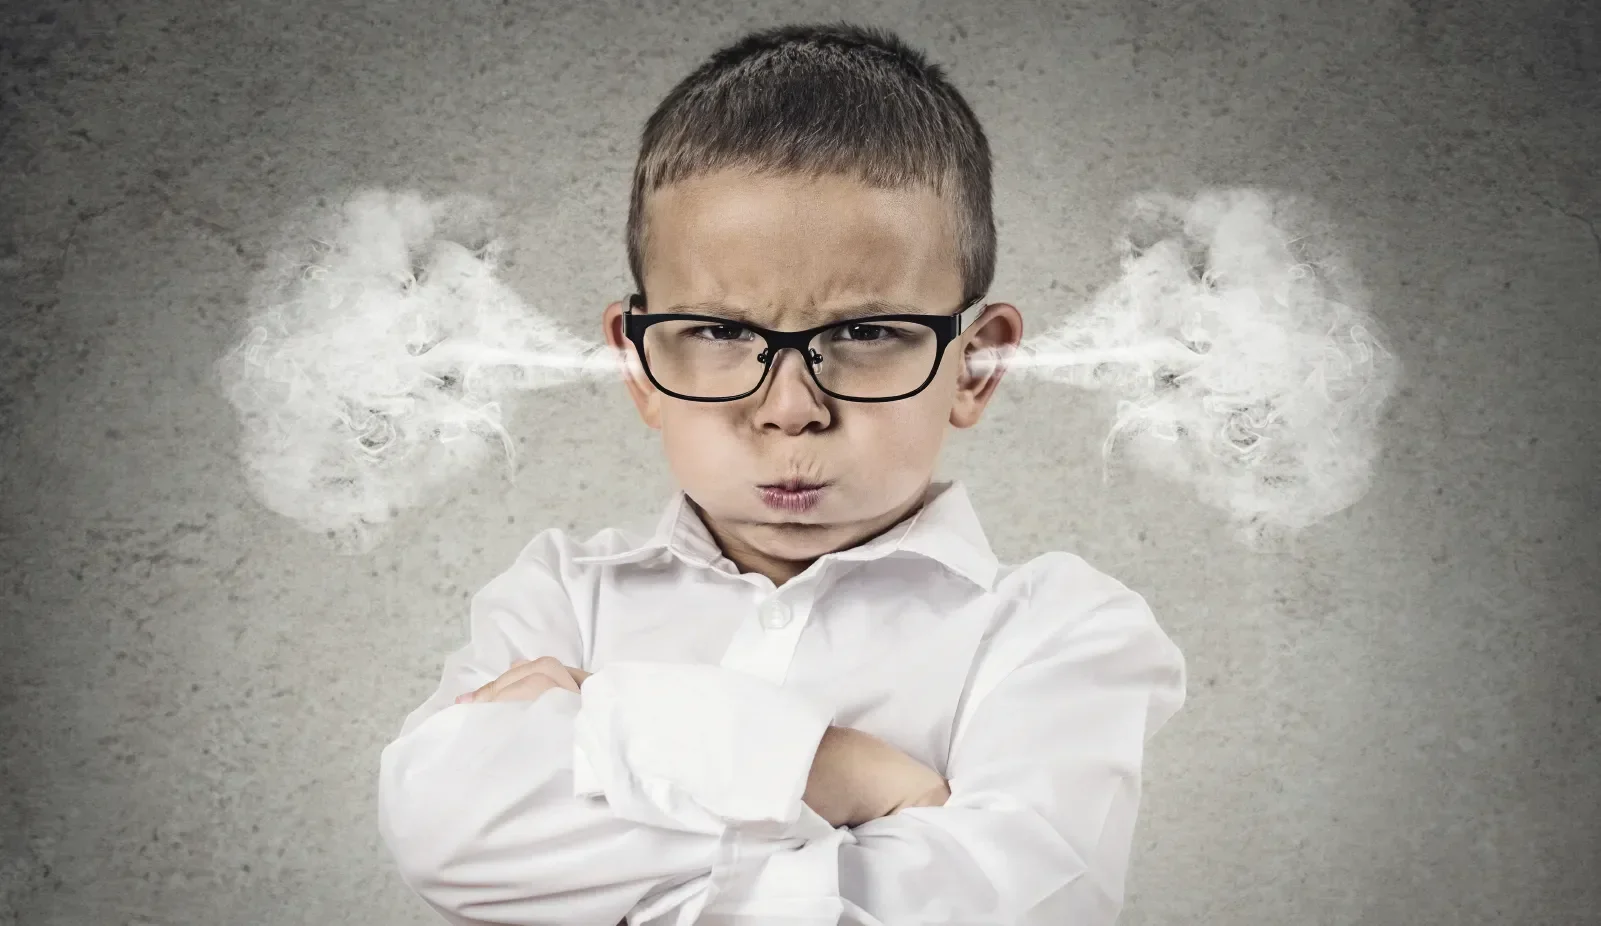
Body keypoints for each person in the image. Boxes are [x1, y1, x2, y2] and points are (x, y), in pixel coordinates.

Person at [377, 21, 1186, 926]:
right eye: (721, 333)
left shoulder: (1063, 635)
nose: (790, 407)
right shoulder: (559, 595)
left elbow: (1012, 912)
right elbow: (443, 831)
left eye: (867, 332)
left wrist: (614, 740)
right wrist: (830, 771)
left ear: (975, 366)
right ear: (638, 363)